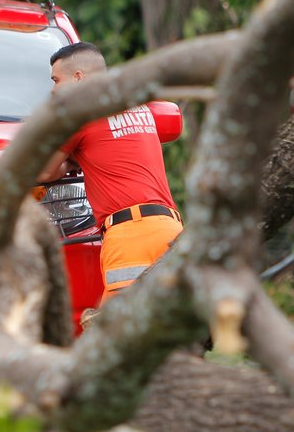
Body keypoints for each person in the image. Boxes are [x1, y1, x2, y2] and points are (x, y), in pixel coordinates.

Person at [37, 42, 184, 303]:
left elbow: (44, 171)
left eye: (56, 80)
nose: (53, 90)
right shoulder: (137, 105)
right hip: (171, 231)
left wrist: (72, 163)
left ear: (78, 78)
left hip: (129, 237)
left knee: (115, 325)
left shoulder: (80, 113)